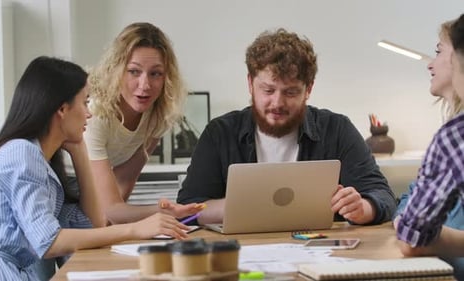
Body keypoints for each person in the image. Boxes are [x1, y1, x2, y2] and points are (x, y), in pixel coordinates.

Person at [0, 57, 191, 280]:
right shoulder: (22, 154)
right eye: (85, 102)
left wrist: (79, 149)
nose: (89, 113)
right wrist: (136, 229)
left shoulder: (41, 161)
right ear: (62, 109)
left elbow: (94, 223)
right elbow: (49, 241)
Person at [177, 28, 397, 226]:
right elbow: (188, 208)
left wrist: (363, 208)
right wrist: (241, 206)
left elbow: (383, 196)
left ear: (308, 89)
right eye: (268, 90)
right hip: (241, 254)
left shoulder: (337, 129)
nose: (277, 103)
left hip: (320, 253)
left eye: (290, 92)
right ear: (250, 84)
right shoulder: (220, 133)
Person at [61, 22, 204, 230]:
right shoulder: (96, 114)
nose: (145, 86)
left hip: (98, 191)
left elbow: (120, 197)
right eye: (134, 72)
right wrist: (163, 211)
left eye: (155, 74)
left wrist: (116, 222)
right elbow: (110, 210)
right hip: (62, 188)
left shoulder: (160, 115)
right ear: (116, 70)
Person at [393, 19, 464, 279]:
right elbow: (411, 197)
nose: (430, 64)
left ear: (457, 59)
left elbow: (413, 239)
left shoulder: (455, 138)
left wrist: (410, 227)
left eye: (438, 50)